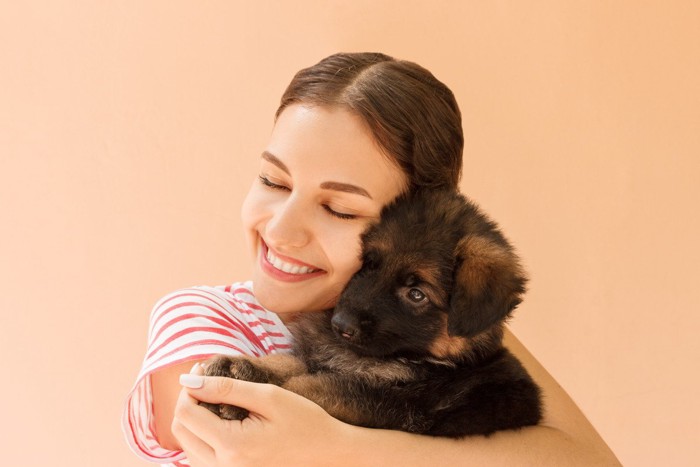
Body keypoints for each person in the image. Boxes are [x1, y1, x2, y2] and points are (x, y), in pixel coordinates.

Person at [123, 52, 621, 466]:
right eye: (273, 181)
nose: (281, 230)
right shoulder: (198, 318)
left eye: (339, 208)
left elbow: (590, 460)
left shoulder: (442, 325)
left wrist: (340, 444)